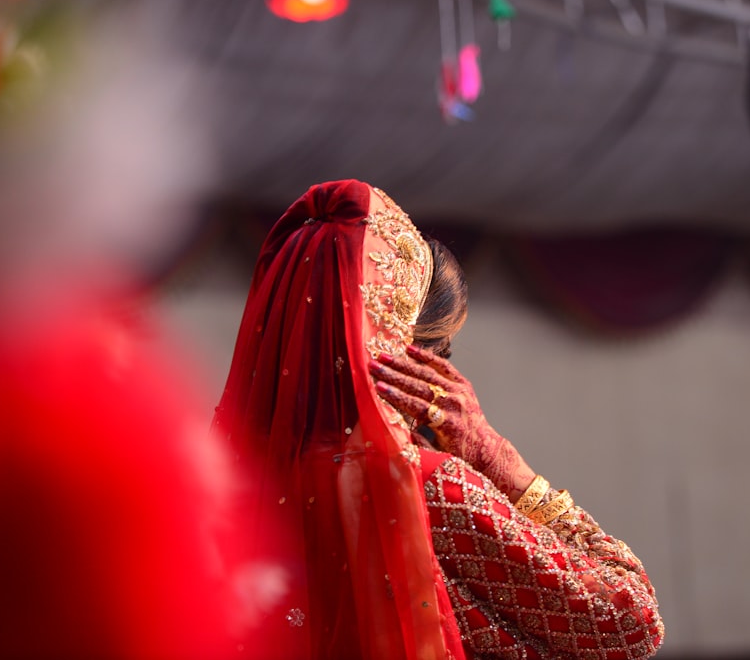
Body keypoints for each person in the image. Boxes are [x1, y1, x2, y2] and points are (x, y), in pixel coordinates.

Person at [213, 179, 665, 659]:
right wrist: (498, 458)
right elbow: (633, 624)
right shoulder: (427, 487)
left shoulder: (228, 486)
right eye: (443, 349)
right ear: (406, 351)